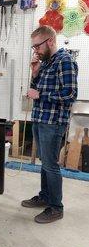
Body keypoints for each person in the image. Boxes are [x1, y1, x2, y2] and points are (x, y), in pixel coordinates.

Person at [21, 25, 78, 223]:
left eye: (37, 46)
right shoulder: (45, 63)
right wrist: (35, 74)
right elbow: (35, 90)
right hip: (40, 119)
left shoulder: (65, 61)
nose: (35, 51)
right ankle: (45, 196)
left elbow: (70, 95)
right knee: (44, 163)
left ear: (50, 41)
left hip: (53, 123)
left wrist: (41, 94)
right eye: (34, 47)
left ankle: (56, 207)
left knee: (51, 165)